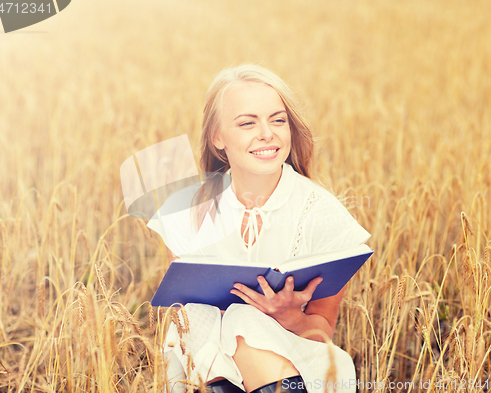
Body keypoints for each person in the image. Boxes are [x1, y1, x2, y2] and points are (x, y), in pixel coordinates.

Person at [147, 64, 371, 393]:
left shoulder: (322, 213)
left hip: (296, 363)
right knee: (203, 318)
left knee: (243, 319)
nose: (267, 133)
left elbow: (322, 328)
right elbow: (186, 320)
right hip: (208, 366)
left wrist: (290, 315)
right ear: (217, 137)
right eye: (247, 122)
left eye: (277, 120)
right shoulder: (187, 212)